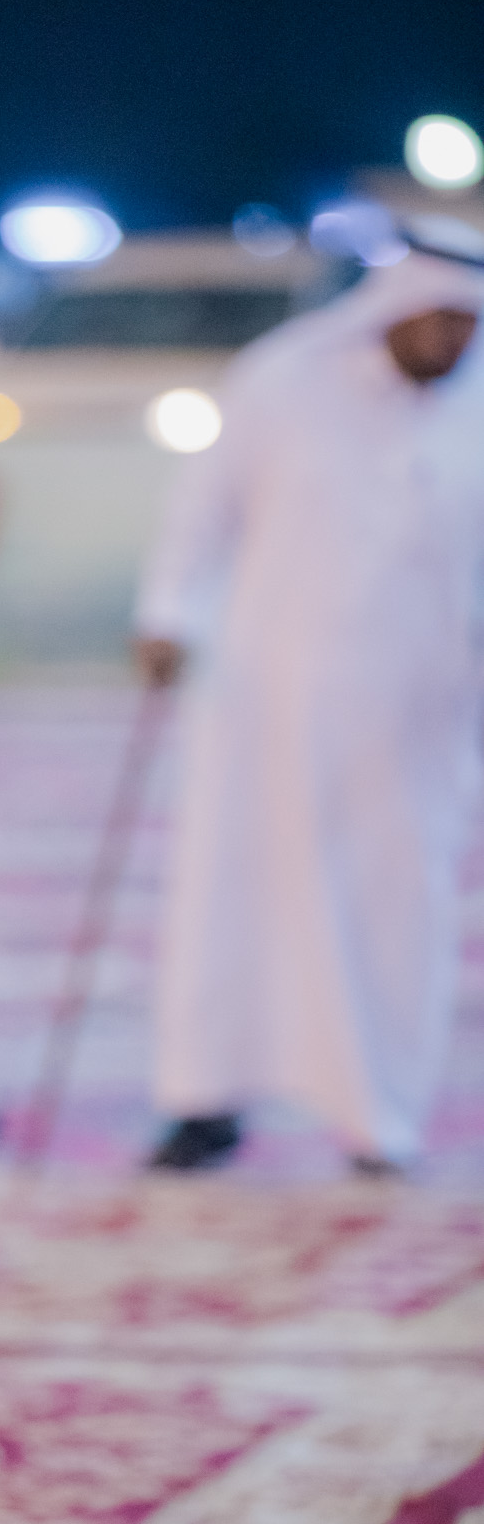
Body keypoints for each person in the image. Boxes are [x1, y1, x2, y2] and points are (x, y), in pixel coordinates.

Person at [135, 242, 484, 1174]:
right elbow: (203, 508)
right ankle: (204, 1101)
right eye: (442, 321)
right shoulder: (283, 380)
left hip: (420, 713)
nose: (455, 342)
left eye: (470, 325)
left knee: (398, 905)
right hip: (268, 696)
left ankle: (379, 1118)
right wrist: (168, 614)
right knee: (232, 892)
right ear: (393, 312)